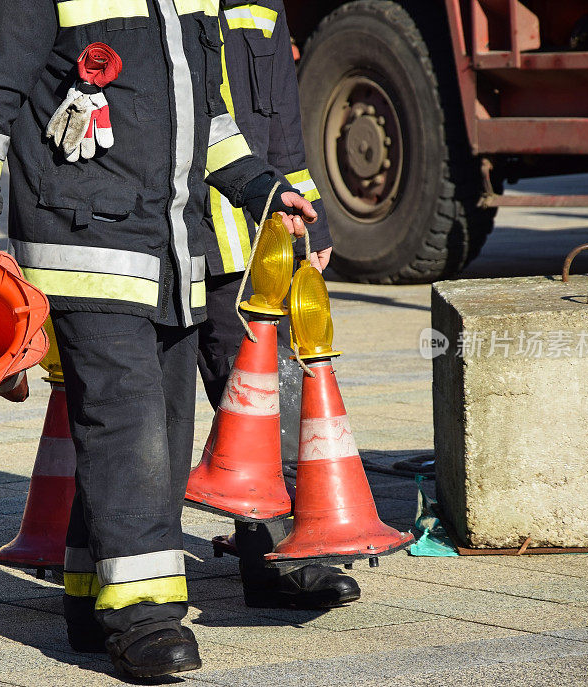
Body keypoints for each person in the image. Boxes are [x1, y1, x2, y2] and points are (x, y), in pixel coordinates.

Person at [0, 0, 316, 678]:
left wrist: (261, 187)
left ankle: (90, 595)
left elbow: (212, 117)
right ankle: (142, 617)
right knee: (128, 425)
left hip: (171, 255)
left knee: (160, 434)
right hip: (82, 247)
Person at [197, 0, 361, 610]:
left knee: (265, 402)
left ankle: (284, 559)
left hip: (253, 243)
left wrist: (310, 231)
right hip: (169, 238)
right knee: (140, 420)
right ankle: (113, 554)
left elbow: (283, 125)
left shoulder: (262, 5)